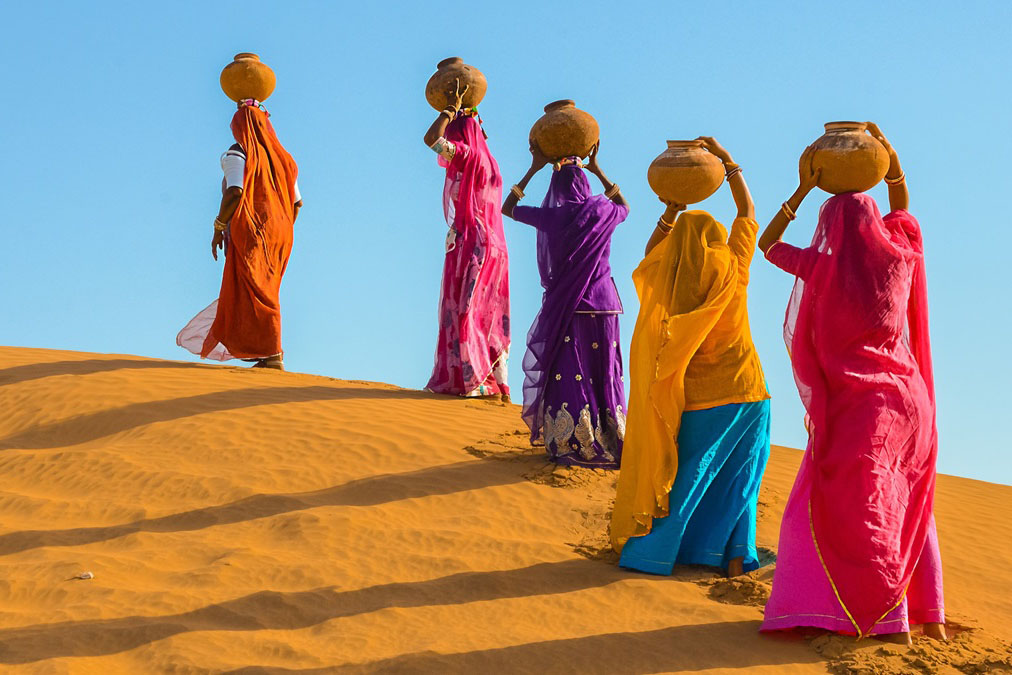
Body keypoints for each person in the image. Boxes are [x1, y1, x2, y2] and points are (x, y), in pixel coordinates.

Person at [758, 123, 945, 643]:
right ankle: (931, 617)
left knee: (850, 507)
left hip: (865, 408)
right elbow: (903, 210)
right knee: (910, 499)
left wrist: (802, 190)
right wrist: (891, 161)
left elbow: (765, 243)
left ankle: (889, 621)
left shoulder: (820, 266)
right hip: (911, 401)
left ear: (829, 226)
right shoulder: (900, 255)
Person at [611, 138, 770, 578]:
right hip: (747, 391)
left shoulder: (671, 282)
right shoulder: (734, 268)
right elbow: (747, 215)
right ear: (715, 242)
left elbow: (650, 253)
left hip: (698, 398)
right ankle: (735, 558)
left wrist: (671, 207)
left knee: (688, 477)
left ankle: (656, 552)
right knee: (741, 479)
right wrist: (728, 161)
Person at [501, 143, 629, 468]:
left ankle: (573, 438)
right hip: (605, 308)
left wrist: (534, 168)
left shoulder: (553, 216)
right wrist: (597, 168)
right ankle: (612, 437)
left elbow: (509, 208)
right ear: (585, 184)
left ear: (555, 187)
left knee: (573, 372)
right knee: (603, 373)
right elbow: (625, 207)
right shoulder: (603, 211)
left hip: (571, 308)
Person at [177, 98, 302, 370]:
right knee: (265, 287)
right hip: (282, 230)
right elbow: (297, 203)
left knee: (257, 288)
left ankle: (272, 354)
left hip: (253, 227)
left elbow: (235, 191)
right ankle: (266, 352)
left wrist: (219, 225)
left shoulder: (238, 152)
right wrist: (280, 226)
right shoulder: (284, 160)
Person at [422, 79, 510, 400]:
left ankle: (471, 379)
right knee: (488, 309)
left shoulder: (468, 156)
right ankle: (495, 381)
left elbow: (432, 139)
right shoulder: (489, 162)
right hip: (494, 247)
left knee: (465, 308)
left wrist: (449, 111)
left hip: (470, 242)